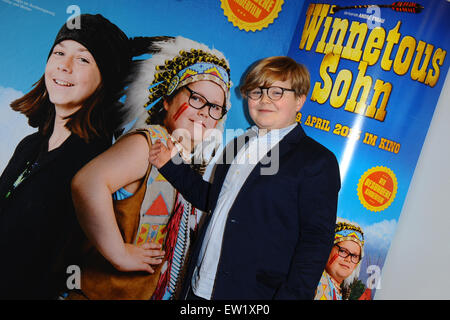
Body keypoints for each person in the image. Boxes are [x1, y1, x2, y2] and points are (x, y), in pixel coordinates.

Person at [149, 56, 341, 300]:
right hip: (200, 287)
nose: (264, 100)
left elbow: (315, 244)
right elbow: (216, 201)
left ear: (300, 100)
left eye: (276, 92)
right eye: (257, 91)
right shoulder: (238, 144)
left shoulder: (317, 161)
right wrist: (172, 165)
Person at [69, 36, 231, 300]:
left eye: (215, 108)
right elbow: (87, 183)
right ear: (167, 100)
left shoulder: (188, 165)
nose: (205, 113)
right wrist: (118, 253)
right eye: (197, 99)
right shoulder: (149, 143)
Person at [0, 14, 133, 299]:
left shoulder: (95, 159)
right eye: (59, 52)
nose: (64, 65)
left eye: (83, 59)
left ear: (104, 79)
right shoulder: (30, 145)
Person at [314, 218, 365, 300]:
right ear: (328, 249)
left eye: (354, 256)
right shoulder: (314, 280)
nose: (348, 259)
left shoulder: (341, 292)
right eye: (343, 251)